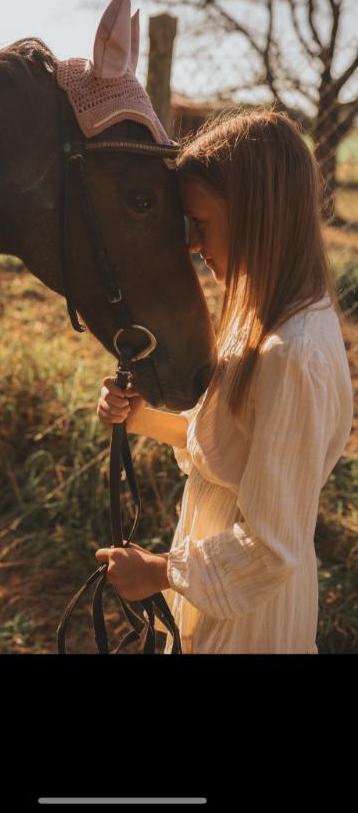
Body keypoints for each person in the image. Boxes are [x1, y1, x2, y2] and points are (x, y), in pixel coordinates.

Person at [95, 106, 354, 654]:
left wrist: (161, 571)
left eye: (201, 223)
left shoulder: (295, 354)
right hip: (221, 582)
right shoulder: (259, 317)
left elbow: (272, 547)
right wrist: (138, 417)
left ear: (258, 216)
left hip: (250, 614)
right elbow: (228, 444)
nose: (191, 243)